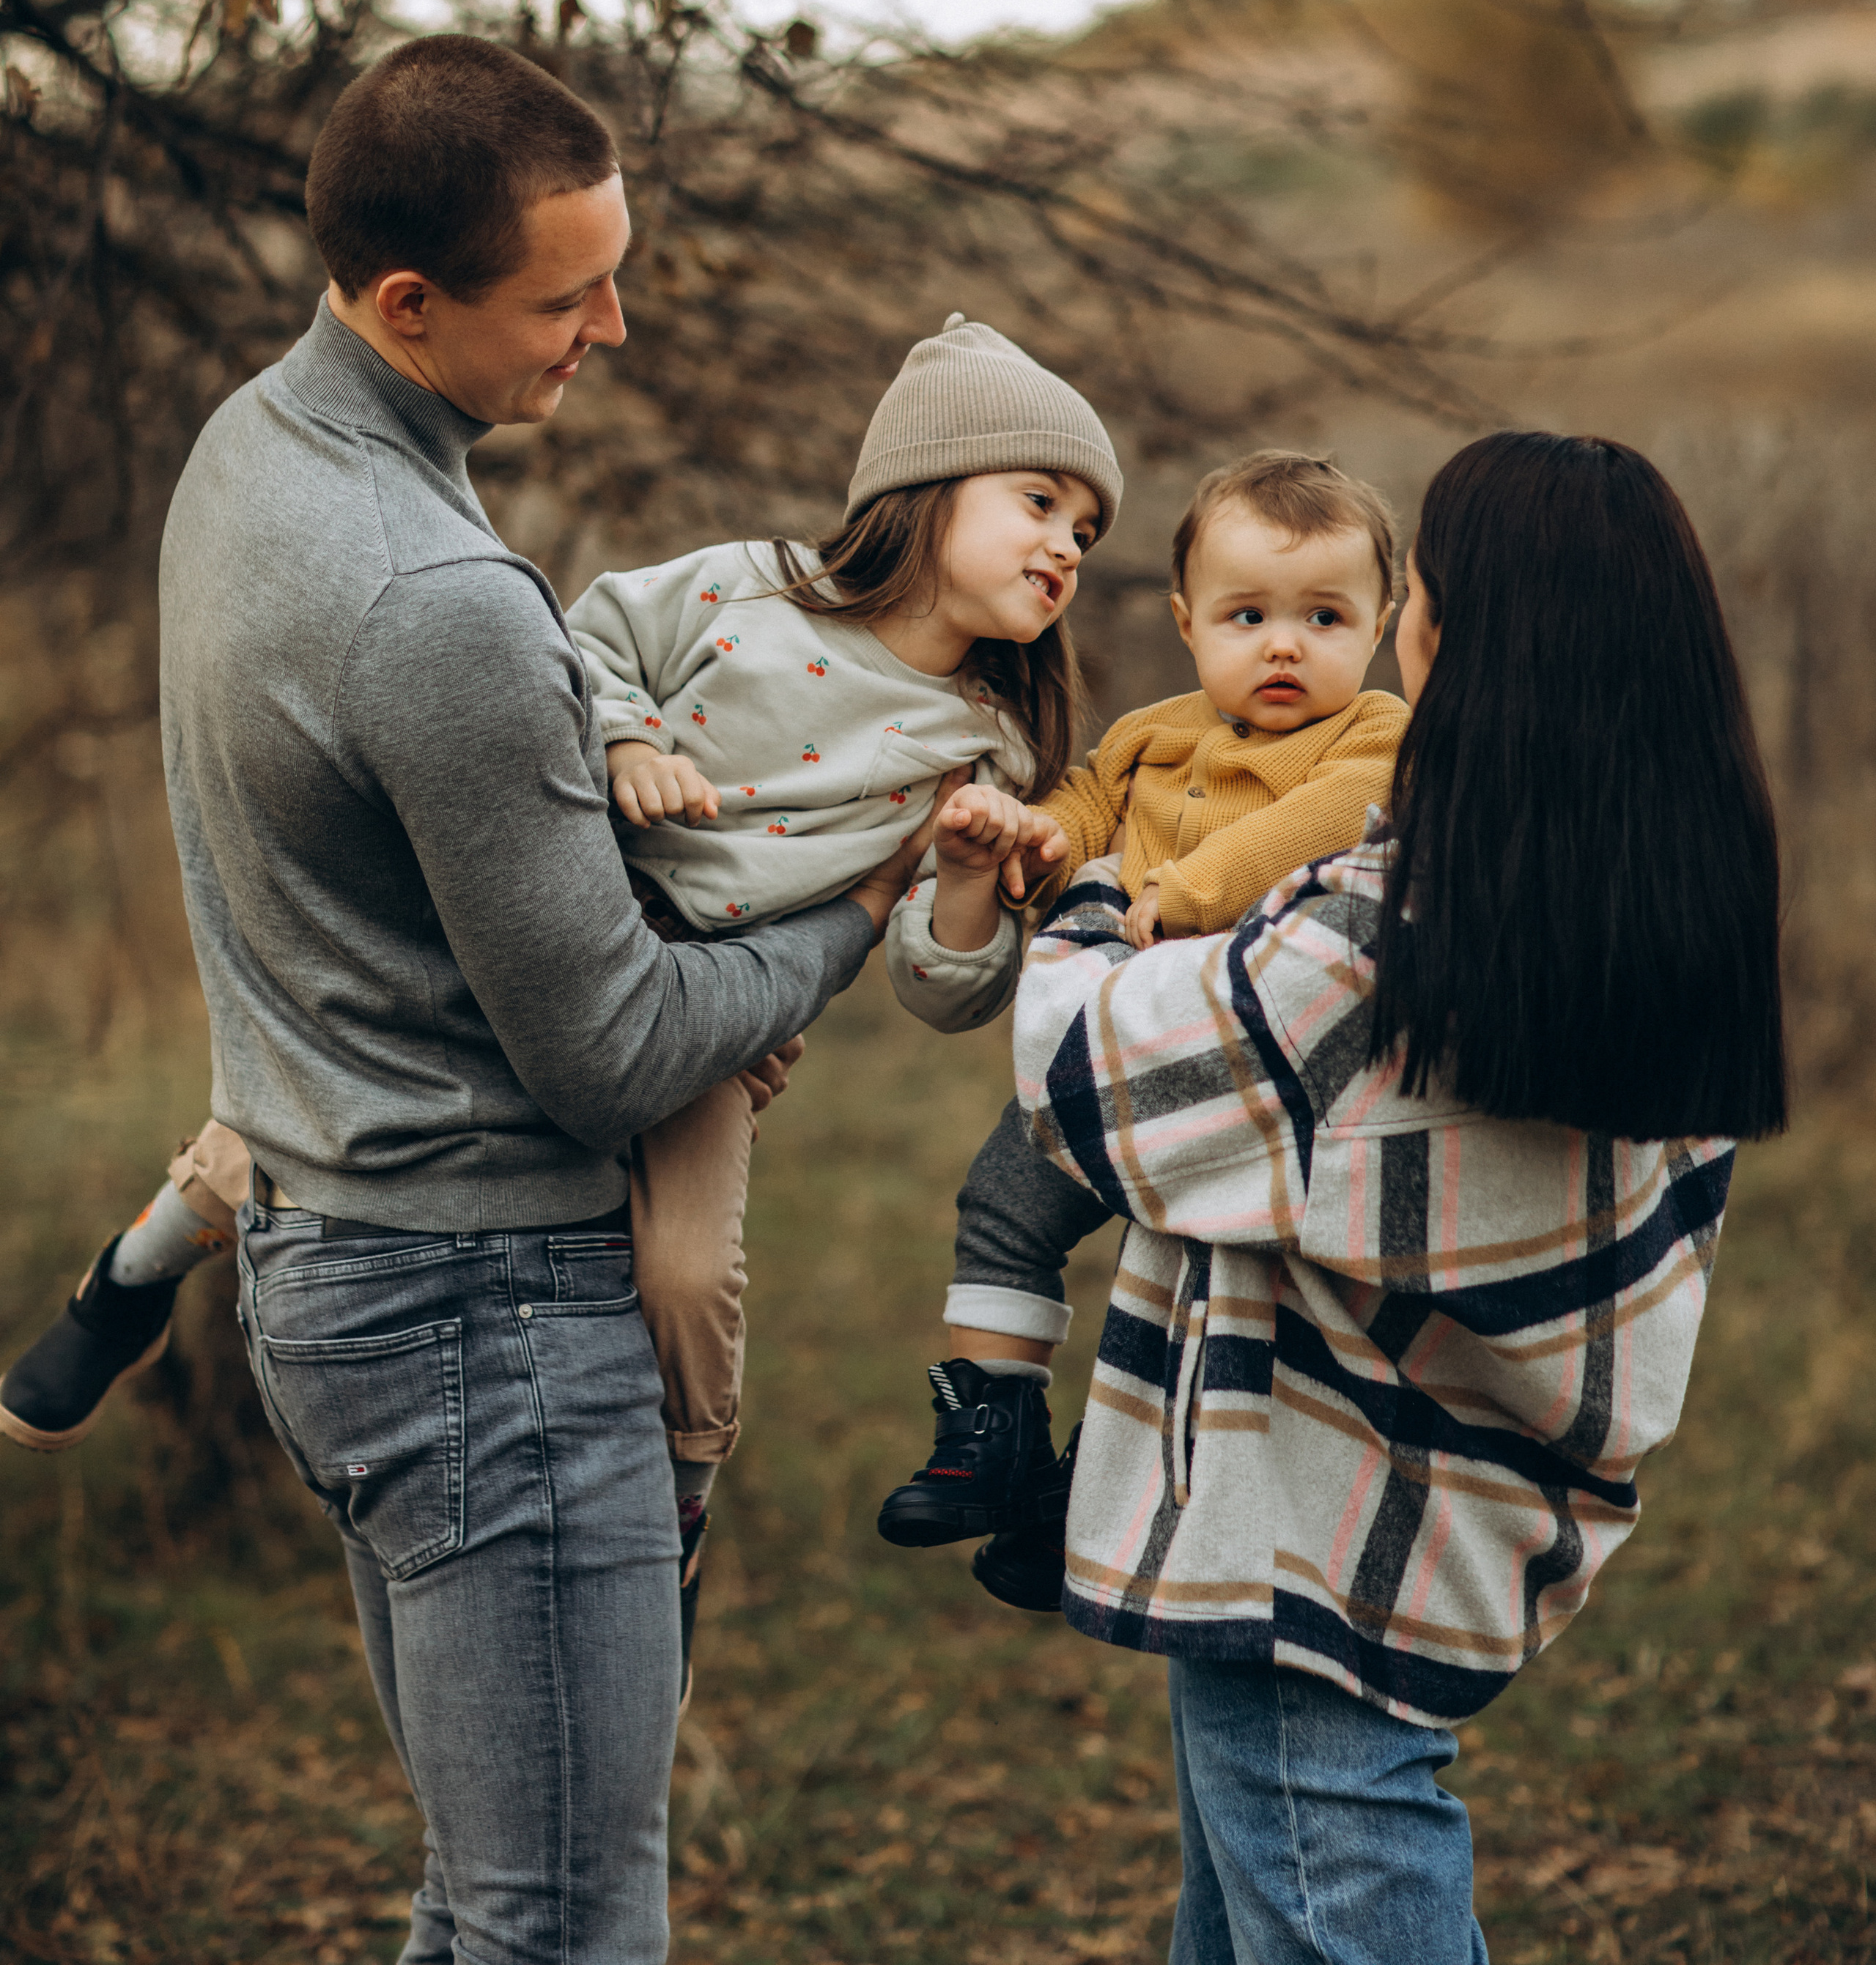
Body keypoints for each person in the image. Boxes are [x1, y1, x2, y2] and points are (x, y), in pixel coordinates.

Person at [18, 32, 952, 1965]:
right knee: (560, 1926)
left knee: (493, 1902)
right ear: (408, 301)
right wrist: (862, 903)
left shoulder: (246, 449)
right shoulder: (434, 599)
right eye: (568, 294)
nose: (612, 325)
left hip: (340, 1264)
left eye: (616, 267)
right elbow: (609, 1047)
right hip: (483, 1322)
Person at [0, 314, 1115, 1695]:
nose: (1069, 546)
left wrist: (954, 883)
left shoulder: (989, 743)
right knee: (301, 1126)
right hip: (559, 921)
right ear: (928, 487)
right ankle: (130, 1280)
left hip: (712, 1018)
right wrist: (633, 737)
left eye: (1089, 529)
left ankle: (683, 1512)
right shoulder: (746, 588)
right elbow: (575, 641)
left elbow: (944, 994)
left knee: (689, 1274)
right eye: (1041, 503)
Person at [1009, 431, 1785, 1965]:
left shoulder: (1391, 927)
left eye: (1408, 590)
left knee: (1339, 1899)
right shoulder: (1656, 893)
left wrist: (1098, 895)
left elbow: (1086, 1072)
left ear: (1450, 632)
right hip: (1482, 1482)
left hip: (1312, 1512)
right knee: (1248, 1920)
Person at [876, 451, 1411, 1610]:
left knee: (1182, 1297)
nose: (1284, 644)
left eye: (1325, 616)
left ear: (1383, 622)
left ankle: (1087, 1498)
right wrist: (1041, 834)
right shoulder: (1149, 738)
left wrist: (1189, 889)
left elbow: (1323, 820)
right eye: (1247, 615)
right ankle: (994, 1435)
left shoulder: (1373, 734)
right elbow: (1084, 800)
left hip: (1251, 1088)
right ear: (1186, 622)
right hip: (1115, 1067)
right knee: (1003, 1209)